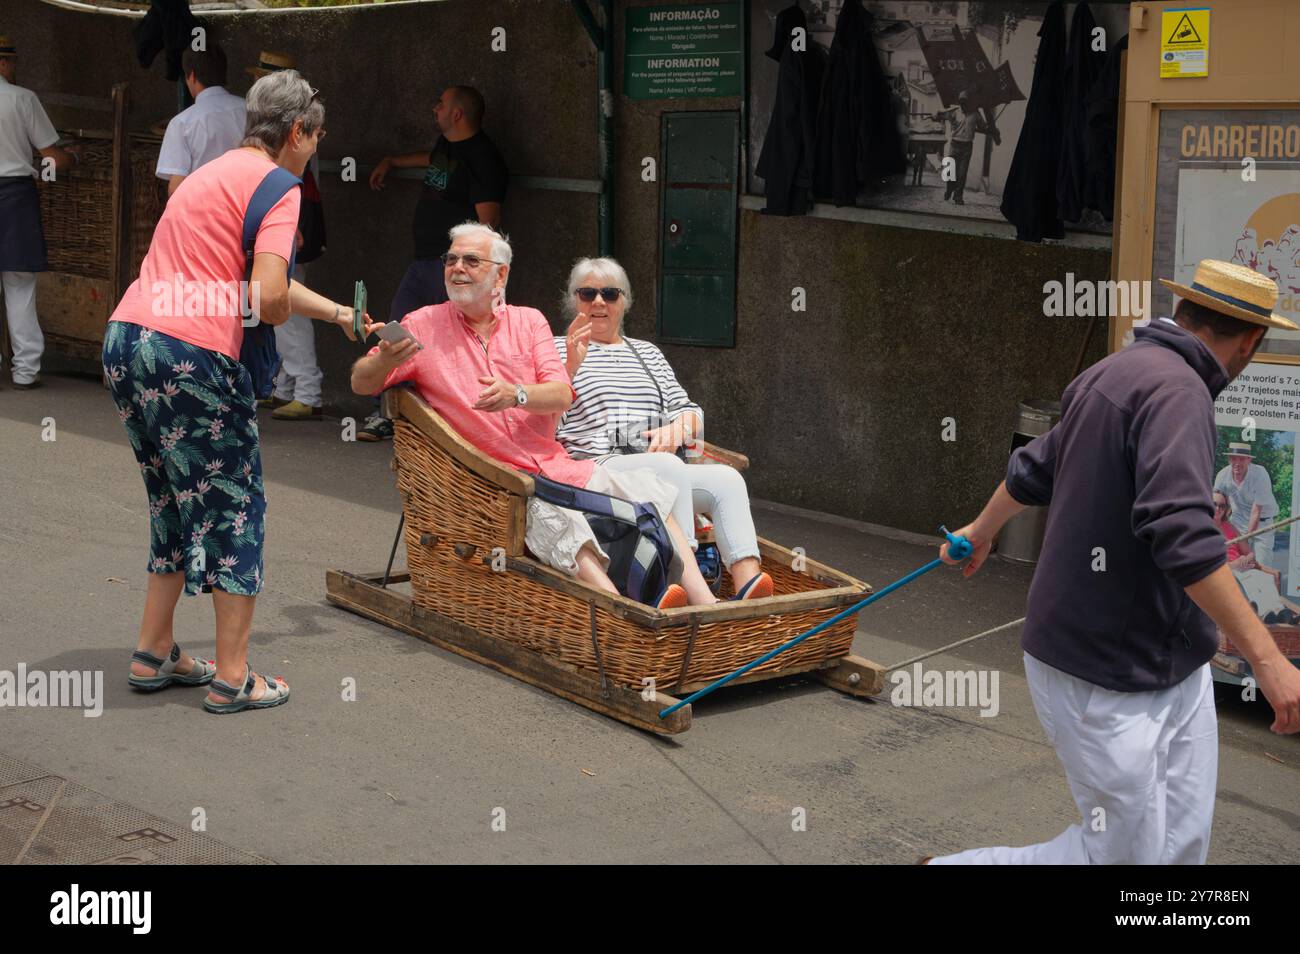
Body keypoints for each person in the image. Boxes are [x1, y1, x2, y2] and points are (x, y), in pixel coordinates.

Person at [930, 259, 1300, 865]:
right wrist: (1267, 659)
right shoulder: (1181, 392)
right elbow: (1180, 532)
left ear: (1186, 312)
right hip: (1102, 668)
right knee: (1123, 859)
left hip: (1174, 659)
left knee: (1180, 847)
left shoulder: (1114, 368)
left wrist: (982, 528)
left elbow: (1032, 469)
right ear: (1251, 341)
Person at [104, 69, 368, 714]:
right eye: (318, 134)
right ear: (299, 131)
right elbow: (269, 294)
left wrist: (340, 314)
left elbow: (246, 282)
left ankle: (153, 650)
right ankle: (233, 676)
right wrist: (271, 314)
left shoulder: (208, 175)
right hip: (192, 354)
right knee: (234, 507)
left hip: (130, 338)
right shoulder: (281, 185)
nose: (318, 145)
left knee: (171, 499)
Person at [349, 223, 719, 609]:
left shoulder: (529, 321)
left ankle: (707, 605)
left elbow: (561, 392)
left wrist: (516, 394)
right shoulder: (422, 324)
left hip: (556, 466)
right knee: (566, 528)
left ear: (501, 274)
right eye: (451, 259)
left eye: (471, 260)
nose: (456, 268)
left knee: (653, 496)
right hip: (493, 480)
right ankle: (624, 618)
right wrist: (386, 360)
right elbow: (361, 382)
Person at [555, 257, 772, 600]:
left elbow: (689, 409)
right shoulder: (555, 348)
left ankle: (749, 586)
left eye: (610, 294)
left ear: (624, 302)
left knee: (727, 479)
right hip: (597, 465)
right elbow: (546, 418)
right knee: (668, 468)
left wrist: (678, 430)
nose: (599, 302)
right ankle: (687, 583)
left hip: (655, 460)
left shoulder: (647, 353)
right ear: (573, 300)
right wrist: (569, 366)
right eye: (588, 293)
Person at [361, 85, 508, 441]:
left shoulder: (484, 157)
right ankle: (387, 413)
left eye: (440, 104)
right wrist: (393, 160)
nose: (434, 109)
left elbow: (488, 225)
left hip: (456, 271)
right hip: (422, 261)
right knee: (396, 331)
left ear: (457, 114)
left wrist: (473, 273)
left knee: (454, 344)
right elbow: (434, 161)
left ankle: (450, 426)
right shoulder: (447, 146)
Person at [244, 52, 328, 422]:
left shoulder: (295, 138)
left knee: (289, 313)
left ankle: (308, 390)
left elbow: (298, 187)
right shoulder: (289, 138)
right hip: (287, 218)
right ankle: (285, 387)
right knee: (280, 310)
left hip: (294, 221)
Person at [0, 34, 78, 390]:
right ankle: (25, 371)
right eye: (13, 62)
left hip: (14, 197)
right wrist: (70, 158)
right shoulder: (22, 99)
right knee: (19, 285)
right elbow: (51, 156)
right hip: (15, 197)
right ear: (2, 63)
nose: (15, 68)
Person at [155, 43, 246, 197]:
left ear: (191, 76)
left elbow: (177, 188)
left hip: (203, 211)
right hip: (245, 209)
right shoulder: (250, 111)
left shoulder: (181, 123)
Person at [1214, 491, 1297, 624]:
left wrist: (1247, 558)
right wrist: (1233, 564)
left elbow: (1249, 551)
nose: (1218, 508)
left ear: (1226, 509)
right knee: (1248, 581)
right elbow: (1206, 562)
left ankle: (1280, 613)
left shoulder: (1230, 527)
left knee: (1265, 578)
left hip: (1243, 568)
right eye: (1214, 504)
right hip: (1225, 571)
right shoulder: (1203, 529)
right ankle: (1265, 615)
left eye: (1222, 506)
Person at [1214, 442, 1279, 569]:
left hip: (1262, 523)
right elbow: (1217, 501)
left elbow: (1256, 512)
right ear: (1229, 459)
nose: (1237, 463)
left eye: (1242, 459)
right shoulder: (1222, 475)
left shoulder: (1260, 474)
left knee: (1260, 564)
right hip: (1238, 519)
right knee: (1237, 562)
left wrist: (1246, 542)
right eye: (1233, 458)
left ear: (1249, 459)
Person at [933, 91, 997, 206]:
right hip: (954, 145)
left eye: (966, 103)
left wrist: (991, 127)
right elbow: (938, 116)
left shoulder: (975, 114)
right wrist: (937, 114)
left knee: (962, 174)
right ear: (959, 102)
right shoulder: (954, 112)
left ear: (970, 103)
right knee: (950, 172)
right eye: (961, 102)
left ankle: (958, 196)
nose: (963, 105)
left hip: (967, 147)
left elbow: (983, 126)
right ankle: (949, 189)